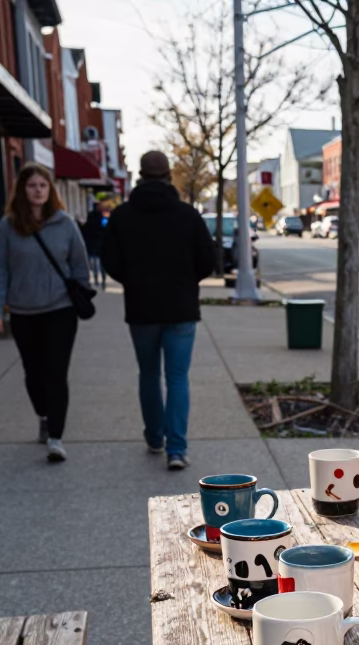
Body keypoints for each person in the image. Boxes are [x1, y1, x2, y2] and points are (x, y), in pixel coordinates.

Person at [100, 150, 214, 470]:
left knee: (148, 374)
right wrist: (186, 280)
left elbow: (110, 261)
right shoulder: (188, 215)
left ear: (140, 175)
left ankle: (154, 437)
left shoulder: (122, 216)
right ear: (169, 176)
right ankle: (176, 449)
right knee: (177, 377)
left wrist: (134, 281)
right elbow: (208, 260)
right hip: (181, 308)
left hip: (141, 308)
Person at [0, 163, 90, 463]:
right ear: (23, 190)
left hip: (60, 310)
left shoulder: (65, 224)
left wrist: (82, 296)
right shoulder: (7, 226)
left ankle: (56, 437)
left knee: (56, 373)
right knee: (33, 373)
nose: (38, 190)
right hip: (23, 311)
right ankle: (44, 414)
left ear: (50, 190)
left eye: (43, 186)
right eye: (32, 185)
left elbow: (80, 266)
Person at [81, 201, 109, 289]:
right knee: (102, 264)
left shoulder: (89, 220)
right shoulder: (102, 219)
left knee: (95, 263)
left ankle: (96, 280)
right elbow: (107, 229)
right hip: (101, 244)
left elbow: (84, 232)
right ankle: (103, 280)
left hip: (92, 245)